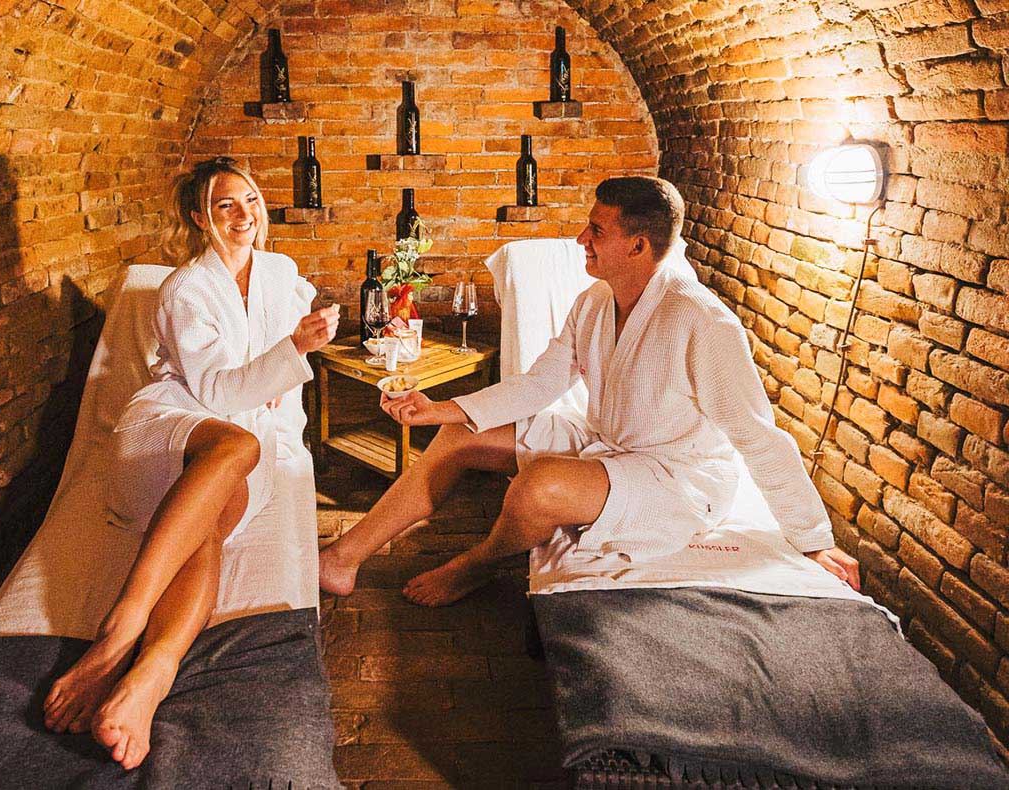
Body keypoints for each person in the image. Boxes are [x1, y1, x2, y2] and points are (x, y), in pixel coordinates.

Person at [319, 176, 858, 607]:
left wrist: (814, 539)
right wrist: (439, 410)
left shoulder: (702, 322)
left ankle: (476, 565)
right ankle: (343, 558)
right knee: (458, 436)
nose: (581, 239)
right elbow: (541, 383)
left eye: (596, 230)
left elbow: (758, 436)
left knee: (539, 487)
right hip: (606, 443)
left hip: (675, 478)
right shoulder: (595, 302)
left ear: (638, 245)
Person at [42, 157, 339, 768]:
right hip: (171, 425)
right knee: (237, 447)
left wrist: (296, 351)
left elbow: (274, 362)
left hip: (242, 437)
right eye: (225, 204)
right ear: (201, 218)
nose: (243, 215)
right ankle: (122, 629)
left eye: (249, 200)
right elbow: (217, 393)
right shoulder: (184, 289)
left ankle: (152, 671)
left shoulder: (281, 273)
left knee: (210, 526)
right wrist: (292, 351)